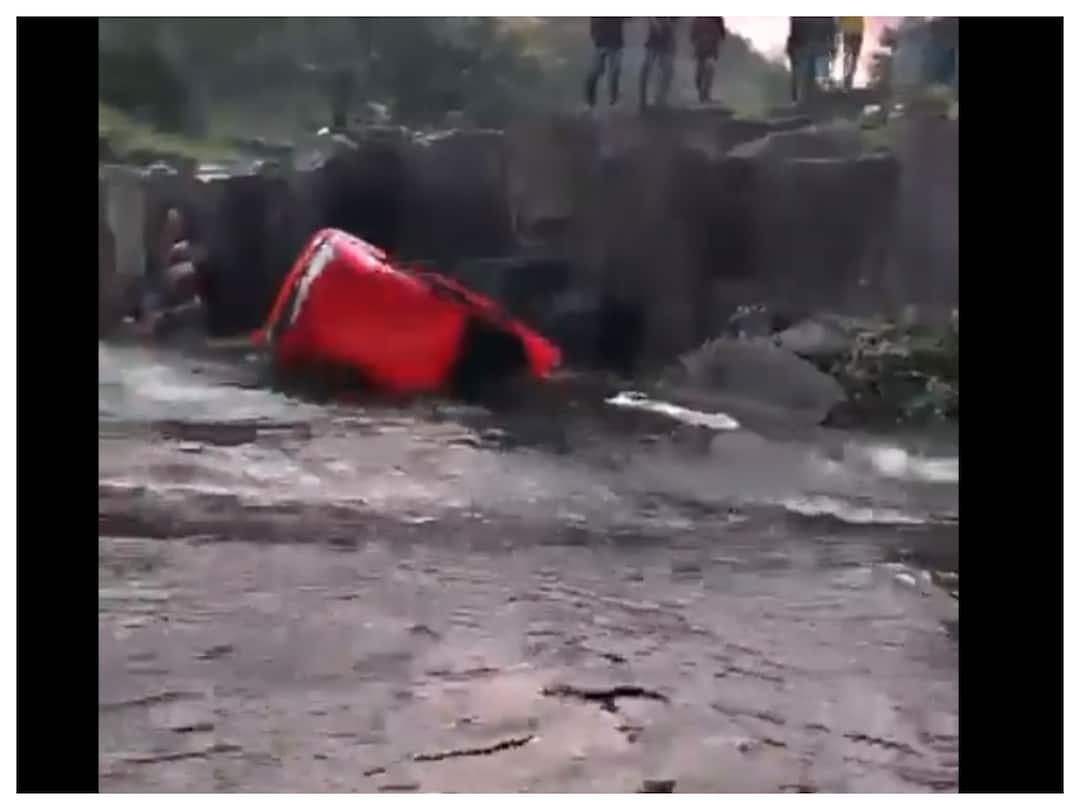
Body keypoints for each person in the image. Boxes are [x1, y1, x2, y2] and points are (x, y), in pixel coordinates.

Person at [584, 17, 626, 108]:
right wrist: (595, 37)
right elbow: (593, 22)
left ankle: (613, 98)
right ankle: (590, 101)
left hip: (616, 44)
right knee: (595, 72)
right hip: (601, 43)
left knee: (615, 71)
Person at [639, 18, 677, 111]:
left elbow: (675, 23)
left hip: (667, 40)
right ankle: (643, 98)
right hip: (654, 40)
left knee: (668, 70)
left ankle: (661, 97)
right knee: (647, 66)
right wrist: (654, 22)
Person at [690, 17, 727, 104]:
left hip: (712, 49)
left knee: (710, 70)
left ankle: (705, 95)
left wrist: (717, 40)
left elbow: (722, 35)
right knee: (700, 74)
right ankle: (701, 94)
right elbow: (692, 36)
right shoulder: (698, 19)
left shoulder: (718, 18)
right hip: (701, 49)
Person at [840, 16, 864, 90]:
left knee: (847, 54)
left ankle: (845, 75)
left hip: (847, 30)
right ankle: (850, 76)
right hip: (858, 29)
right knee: (854, 56)